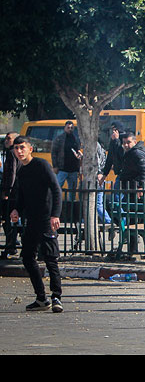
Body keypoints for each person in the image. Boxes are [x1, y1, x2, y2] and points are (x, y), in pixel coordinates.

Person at [9, 136, 64, 312]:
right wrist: (16, 209)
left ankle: (56, 297)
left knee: (50, 258)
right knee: (27, 257)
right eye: (16, 148)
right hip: (31, 220)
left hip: (46, 219)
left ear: (30, 149)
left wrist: (55, 215)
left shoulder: (41, 165)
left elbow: (56, 190)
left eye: (22, 147)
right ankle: (41, 298)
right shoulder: (22, 171)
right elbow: (22, 196)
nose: (19, 151)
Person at [119, 132, 145, 254]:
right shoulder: (131, 153)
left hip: (140, 194)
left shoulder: (136, 153)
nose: (126, 145)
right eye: (124, 142)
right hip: (135, 191)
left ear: (134, 142)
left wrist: (140, 187)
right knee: (135, 222)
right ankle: (135, 249)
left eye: (128, 142)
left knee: (138, 222)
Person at [1, 132, 21, 259]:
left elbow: (12, 173)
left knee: (8, 219)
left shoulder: (12, 153)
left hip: (12, 192)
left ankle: (11, 245)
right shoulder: (17, 153)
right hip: (18, 191)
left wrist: (7, 191)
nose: (6, 141)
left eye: (9, 139)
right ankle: (12, 245)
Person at [51, 121, 82, 192]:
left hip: (73, 170)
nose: (70, 129)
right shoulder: (59, 139)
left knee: (73, 190)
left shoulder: (76, 139)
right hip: (62, 169)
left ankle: (71, 203)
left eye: (71, 128)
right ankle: (56, 202)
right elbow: (54, 153)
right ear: (64, 128)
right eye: (68, 127)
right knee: (57, 188)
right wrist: (55, 166)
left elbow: (78, 151)